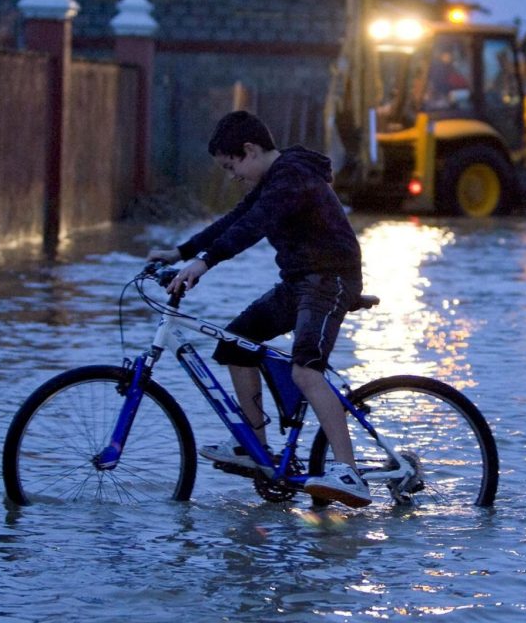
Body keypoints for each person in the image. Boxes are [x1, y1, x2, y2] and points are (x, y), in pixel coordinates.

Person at [147, 110, 370, 507]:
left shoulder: (291, 176)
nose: (232, 175)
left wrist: (204, 263)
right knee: (235, 343)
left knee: (306, 369)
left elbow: (254, 226)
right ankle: (255, 447)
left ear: (249, 150)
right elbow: (236, 218)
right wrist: (181, 252)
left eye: (231, 166)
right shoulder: (272, 179)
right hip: (299, 282)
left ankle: (348, 471)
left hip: (330, 280)